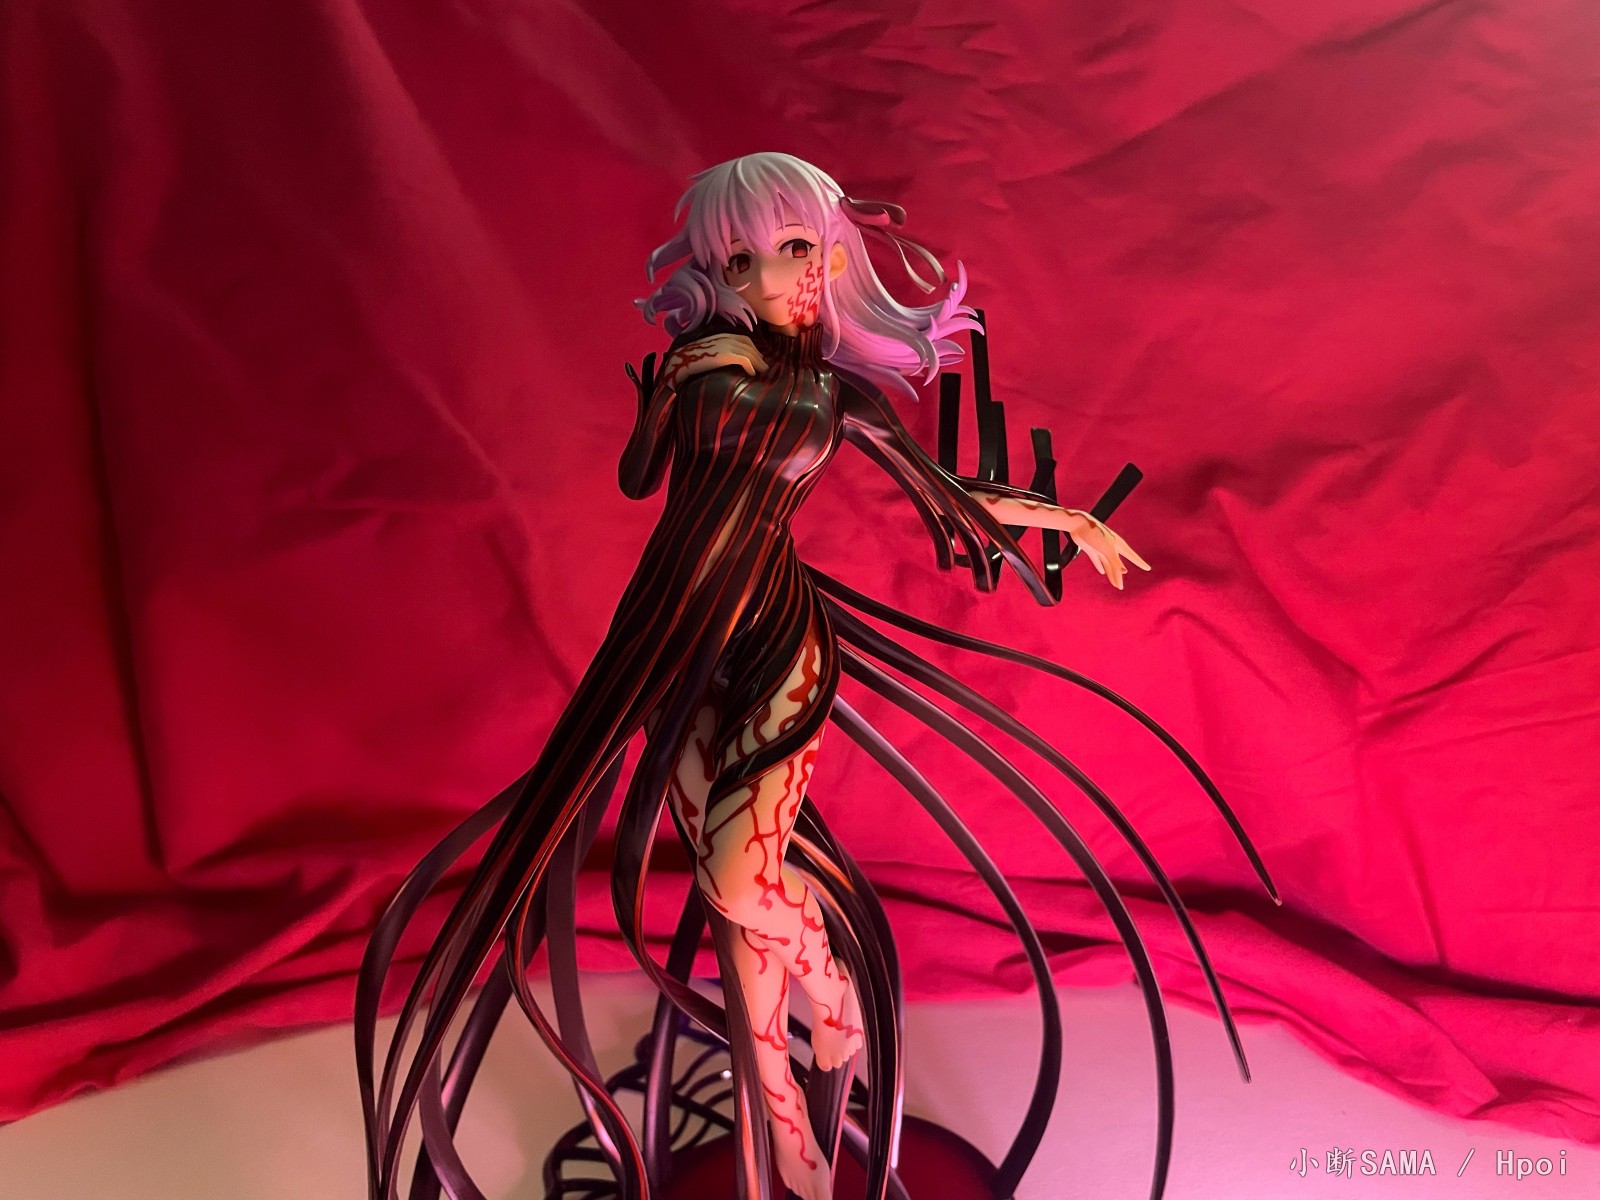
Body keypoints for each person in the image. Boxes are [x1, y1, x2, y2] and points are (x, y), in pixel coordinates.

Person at [358, 151, 1272, 1200]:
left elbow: (949, 497)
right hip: (668, 640)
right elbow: (640, 477)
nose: (768, 278)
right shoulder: (703, 360)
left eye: (793, 248)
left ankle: (831, 995)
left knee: (741, 879)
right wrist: (661, 398)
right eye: (738, 262)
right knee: (733, 900)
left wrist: (1067, 519)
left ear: (833, 252)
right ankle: (781, 1124)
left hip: (776, 640)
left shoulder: (839, 395)